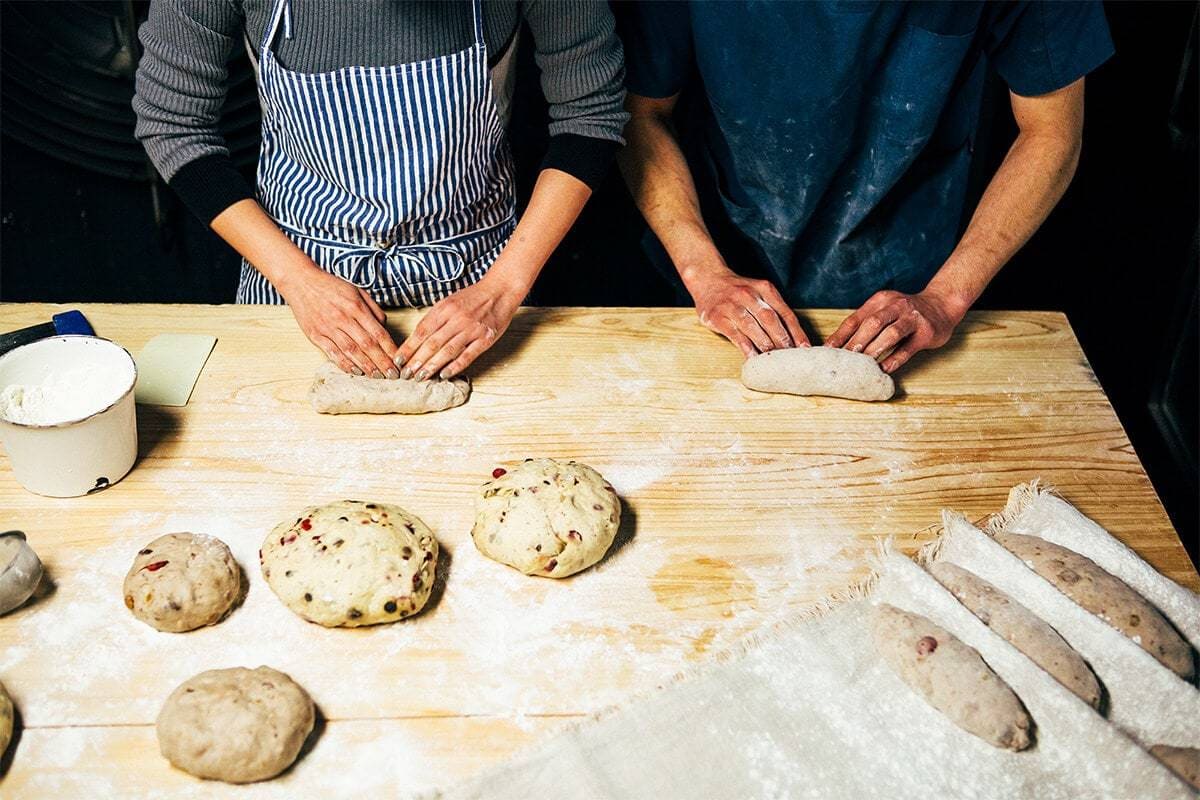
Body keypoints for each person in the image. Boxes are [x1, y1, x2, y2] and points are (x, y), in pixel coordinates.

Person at [134, 0, 626, 380]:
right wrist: (297, 280)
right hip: (296, 283)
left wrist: (503, 288)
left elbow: (589, 114)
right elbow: (174, 123)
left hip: (482, 281)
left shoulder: (497, 290)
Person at [616, 2, 1112, 372]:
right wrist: (703, 272)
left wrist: (946, 297)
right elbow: (642, 115)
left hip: (912, 293)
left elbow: (1051, 131)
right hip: (714, 273)